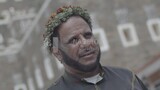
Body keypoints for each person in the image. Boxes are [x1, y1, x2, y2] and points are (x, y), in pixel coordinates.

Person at [43, 5, 148, 90]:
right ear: (57, 53)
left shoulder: (128, 78)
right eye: (74, 40)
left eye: (87, 35)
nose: (85, 43)